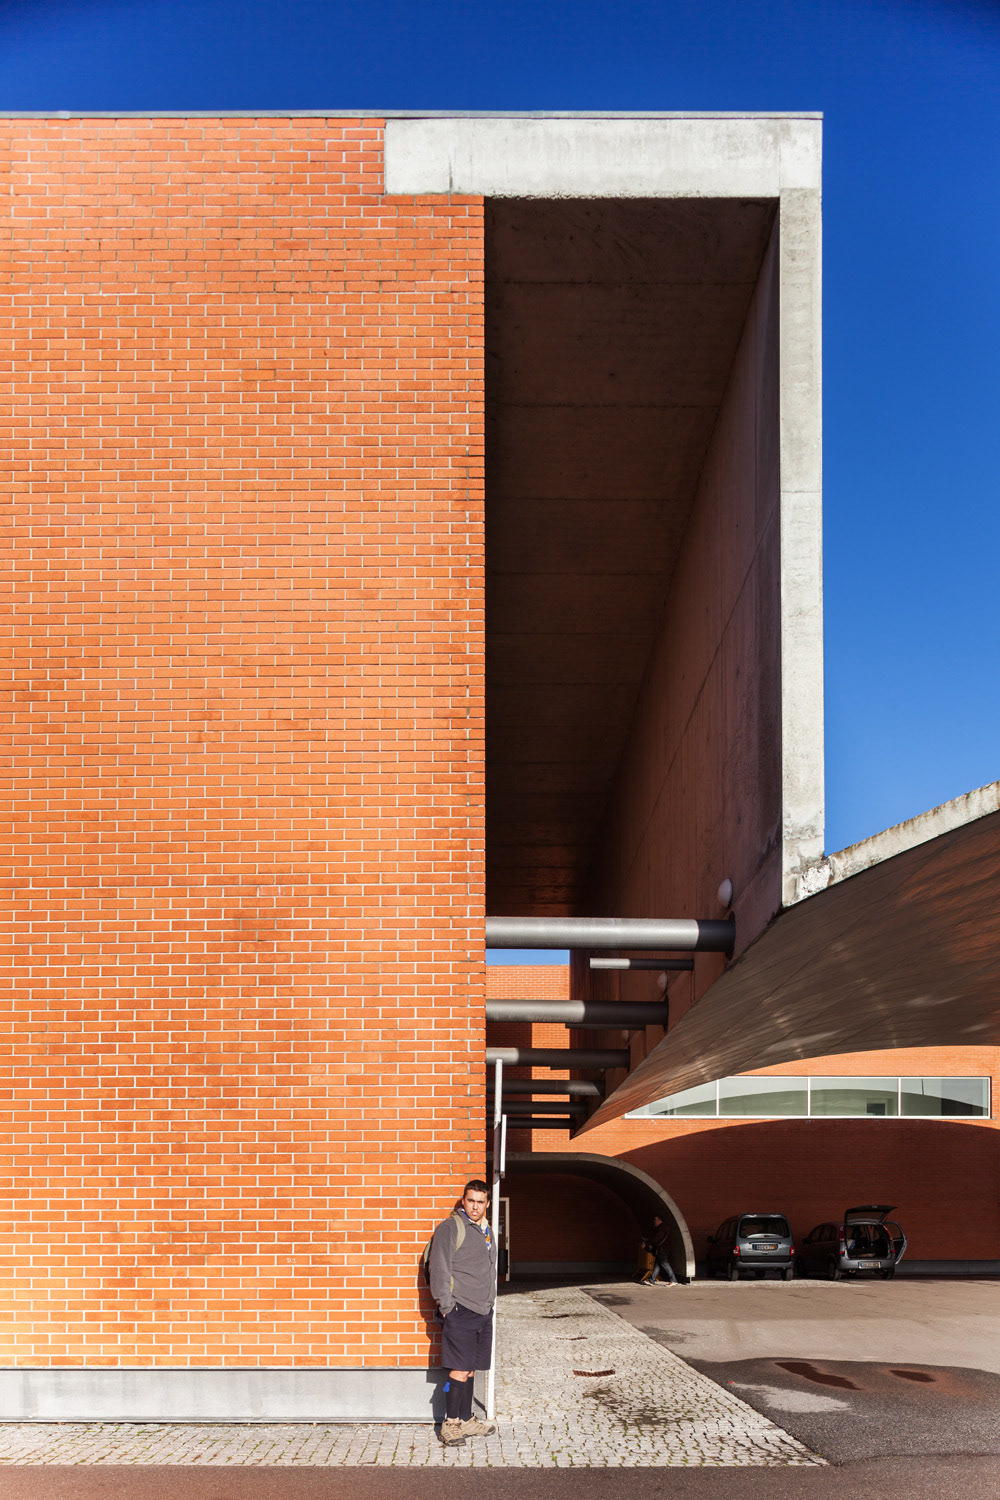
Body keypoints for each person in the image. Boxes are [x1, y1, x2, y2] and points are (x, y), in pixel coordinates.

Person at [428, 1179, 498, 1446]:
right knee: (457, 1371)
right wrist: (447, 1308)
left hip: (483, 1311)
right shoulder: (451, 1227)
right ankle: (450, 1423)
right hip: (460, 1310)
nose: (475, 1207)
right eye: (471, 1201)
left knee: (470, 1370)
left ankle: (467, 1419)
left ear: (487, 1204)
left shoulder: (486, 1230)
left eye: (480, 1202)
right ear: (463, 1200)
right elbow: (440, 1269)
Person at [640, 1215, 678, 1286]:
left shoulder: (662, 1228)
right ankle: (651, 1280)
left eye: (655, 1220)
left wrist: (647, 1244)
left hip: (662, 1249)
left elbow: (656, 1239)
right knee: (657, 1265)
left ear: (660, 1221)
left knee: (664, 1264)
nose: (654, 1221)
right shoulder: (662, 1228)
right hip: (662, 1249)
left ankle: (673, 1280)